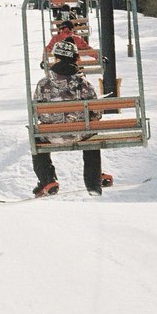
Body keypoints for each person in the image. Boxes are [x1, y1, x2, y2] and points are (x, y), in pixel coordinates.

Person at [31, 38, 100, 197]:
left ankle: (48, 180)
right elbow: (97, 113)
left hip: (50, 135)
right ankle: (93, 184)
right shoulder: (84, 84)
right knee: (92, 138)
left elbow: (36, 111)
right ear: (74, 58)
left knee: (35, 139)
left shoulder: (43, 84)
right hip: (80, 134)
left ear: (56, 58)